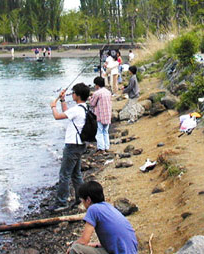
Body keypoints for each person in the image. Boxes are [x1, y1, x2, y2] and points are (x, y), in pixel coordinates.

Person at [50, 83, 91, 212]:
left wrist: (53, 107)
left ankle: (61, 202)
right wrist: (62, 100)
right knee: (76, 174)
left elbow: (57, 116)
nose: (72, 94)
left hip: (72, 146)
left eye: (73, 93)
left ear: (77, 96)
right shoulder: (83, 108)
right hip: (80, 145)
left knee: (64, 174)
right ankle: (81, 198)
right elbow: (67, 113)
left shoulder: (77, 109)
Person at [67, 181, 138, 254]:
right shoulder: (108, 207)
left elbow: (84, 240)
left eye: (83, 201)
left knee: (75, 249)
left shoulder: (93, 209)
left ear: (88, 200)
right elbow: (112, 241)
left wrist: (73, 244)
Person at [90, 77, 112, 153]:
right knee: (106, 132)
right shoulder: (108, 92)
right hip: (108, 115)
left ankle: (101, 148)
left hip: (100, 116)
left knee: (99, 132)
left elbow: (92, 104)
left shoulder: (97, 93)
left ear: (97, 85)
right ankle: (107, 147)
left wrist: (90, 98)